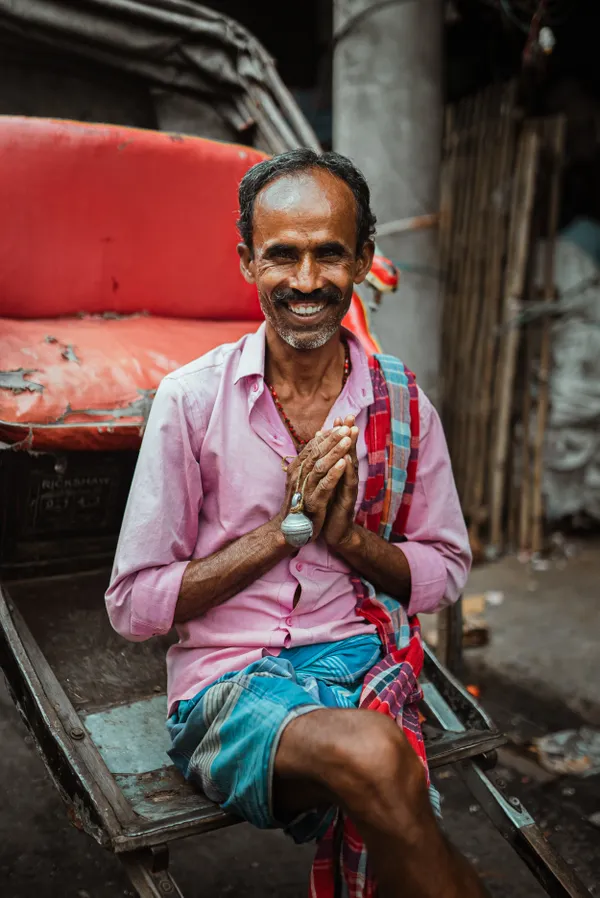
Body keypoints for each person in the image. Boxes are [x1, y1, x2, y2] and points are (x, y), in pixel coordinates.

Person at [106, 149, 485, 898]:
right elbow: (134, 605)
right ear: (247, 262)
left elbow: (444, 571)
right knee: (382, 761)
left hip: (363, 662)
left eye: (329, 255)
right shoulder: (192, 401)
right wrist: (286, 530)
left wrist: (350, 541)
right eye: (282, 255)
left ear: (364, 261)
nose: (306, 282)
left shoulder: (402, 405)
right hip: (228, 688)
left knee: (385, 780)